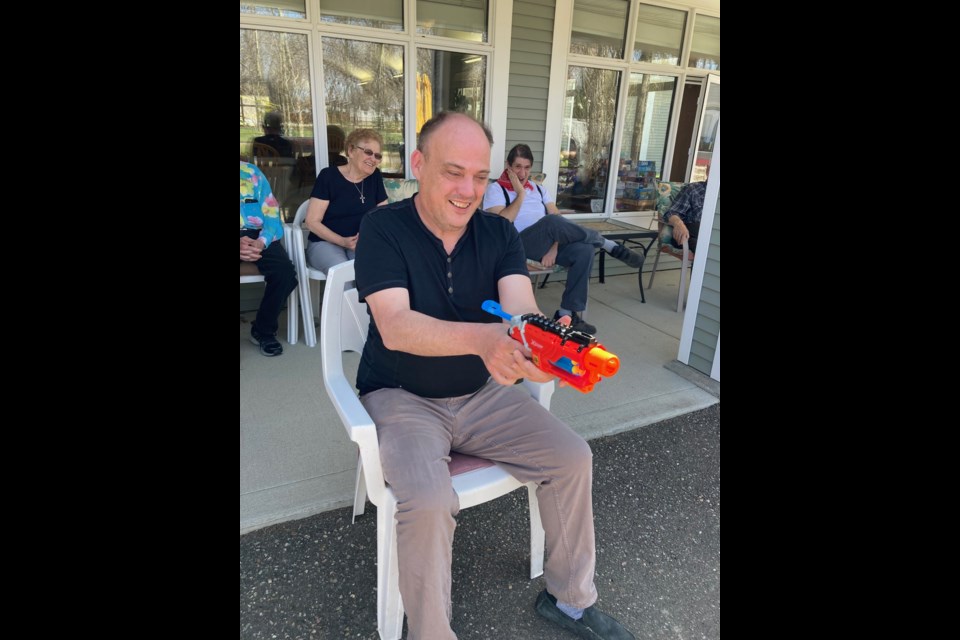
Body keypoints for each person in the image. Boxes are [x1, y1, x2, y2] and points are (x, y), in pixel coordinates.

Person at [354, 112, 635, 640]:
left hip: (480, 394)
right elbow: (395, 326)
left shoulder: (499, 232)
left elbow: (520, 308)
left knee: (573, 457)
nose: (468, 190)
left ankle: (570, 600)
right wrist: (486, 341)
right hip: (401, 394)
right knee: (432, 501)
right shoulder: (382, 227)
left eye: (480, 176)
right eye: (453, 172)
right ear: (419, 165)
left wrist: (544, 343)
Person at [483, 144, 644, 335]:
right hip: (516, 246)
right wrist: (521, 194)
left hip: (547, 244)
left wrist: (554, 248)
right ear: (508, 166)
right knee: (551, 222)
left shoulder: (539, 190)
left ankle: (567, 313)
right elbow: (500, 225)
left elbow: (557, 220)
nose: (522, 172)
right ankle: (607, 244)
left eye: (526, 167)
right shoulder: (495, 189)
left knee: (583, 251)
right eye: (517, 167)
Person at [304, 128, 389, 275]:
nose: (373, 159)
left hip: (361, 244)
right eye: (368, 152)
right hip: (325, 243)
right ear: (351, 150)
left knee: (374, 270)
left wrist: (369, 237)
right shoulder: (329, 176)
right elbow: (312, 221)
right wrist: (342, 241)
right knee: (343, 272)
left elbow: (384, 216)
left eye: (377, 155)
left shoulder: (374, 177)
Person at [240, 161, 299, 356]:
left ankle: (263, 330)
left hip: (258, 235)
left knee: (285, 274)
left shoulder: (250, 172)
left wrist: (261, 242)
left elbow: (271, 214)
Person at [663, 180, 707, 253]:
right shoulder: (693, 189)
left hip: (710, 238)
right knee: (700, 246)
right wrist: (679, 224)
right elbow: (672, 212)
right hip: (688, 233)